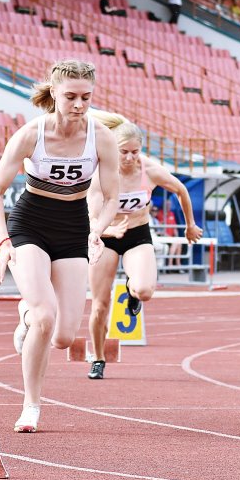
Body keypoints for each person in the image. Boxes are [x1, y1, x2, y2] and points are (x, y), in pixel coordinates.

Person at [0, 60, 122, 433]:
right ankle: (31, 405)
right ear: (54, 92)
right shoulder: (31, 134)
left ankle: (25, 315)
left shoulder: (101, 138)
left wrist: (97, 230)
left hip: (74, 227)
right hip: (30, 223)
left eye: (86, 97)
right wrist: (5, 241)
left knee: (62, 337)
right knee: (46, 315)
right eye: (71, 97)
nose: (79, 105)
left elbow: (112, 196)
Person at [84, 111, 203, 380]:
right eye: (123, 152)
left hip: (138, 233)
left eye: (134, 152)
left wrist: (190, 225)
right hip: (105, 237)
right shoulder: (101, 172)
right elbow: (91, 214)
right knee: (100, 305)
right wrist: (107, 229)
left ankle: (132, 290)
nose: (129, 158)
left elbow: (181, 190)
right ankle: (99, 359)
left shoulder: (148, 170)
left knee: (145, 290)